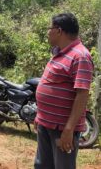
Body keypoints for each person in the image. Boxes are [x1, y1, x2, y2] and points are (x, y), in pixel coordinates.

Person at [34, 13, 94, 169]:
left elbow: (82, 94)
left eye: (50, 28)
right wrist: (40, 116)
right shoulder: (58, 53)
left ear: (59, 31)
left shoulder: (80, 56)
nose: (48, 32)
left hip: (61, 129)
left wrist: (69, 129)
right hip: (46, 123)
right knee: (42, 166)